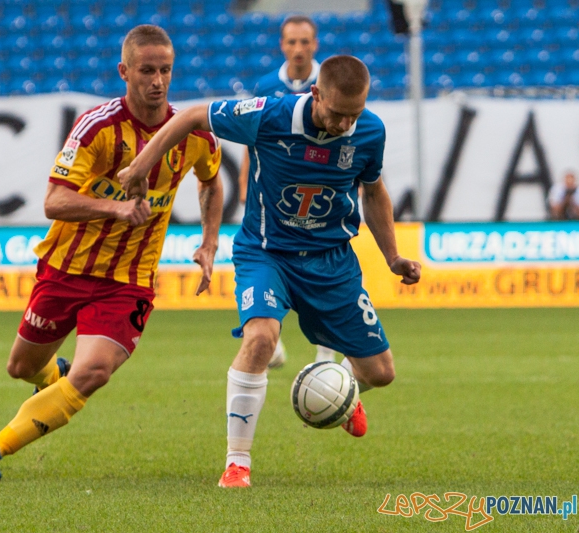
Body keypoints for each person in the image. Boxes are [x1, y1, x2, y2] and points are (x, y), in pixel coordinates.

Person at [119, 55, 421, 488]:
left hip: (331, 260)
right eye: (337, 113)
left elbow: (373, 192)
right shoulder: (269, 115)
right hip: (267, 253)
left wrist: (392, 257)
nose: (344, 125)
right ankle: (237, 463)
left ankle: (337, 386)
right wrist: (140, 166)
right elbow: (191, 117)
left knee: (380, 373)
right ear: (315, 94)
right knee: (261, 338)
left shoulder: (370, 131)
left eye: (353, 115)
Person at [0, 24, 223, 480]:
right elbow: (53, 201)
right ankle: (52, 376)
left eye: (165, 70)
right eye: (147, 70)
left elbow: (211, 182)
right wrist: (116, 209)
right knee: (21, 367)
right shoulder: (98, 128)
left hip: (129, 280)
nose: (157, 81)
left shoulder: (193, 135)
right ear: (124, 71)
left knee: (94, 372)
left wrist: (209, 243)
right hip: (67, 268)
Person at [238, 14, 333, 368]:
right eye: (292, 41)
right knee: (266, 260)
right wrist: (245, 185)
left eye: (304, 41)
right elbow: (252, 139)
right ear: (282, 45)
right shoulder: (265, 86)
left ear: (315, 44)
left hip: (319, 193)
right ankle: (267, 337)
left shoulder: (330, 82)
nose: (298, 48)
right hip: (272, 195)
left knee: (324, 267)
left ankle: (325, 353)